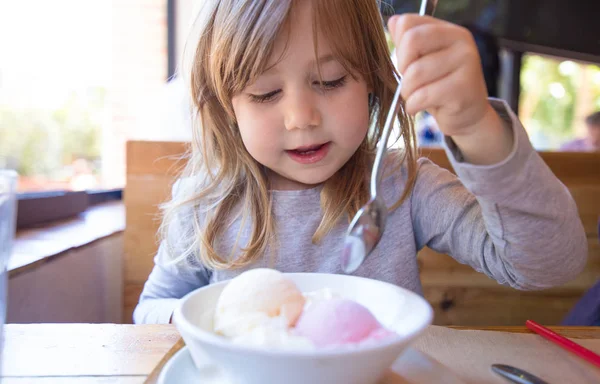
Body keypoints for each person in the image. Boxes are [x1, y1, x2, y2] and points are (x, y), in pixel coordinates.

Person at [133, 0, 587, 324]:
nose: (301, 118)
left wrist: (476, 128)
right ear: (227, 106)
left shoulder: (402, 188)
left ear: (371, 79)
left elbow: (547, 264)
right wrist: (215, 319)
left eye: (330, 81)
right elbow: (151, 309)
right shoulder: (205, 206)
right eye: (265, 93)